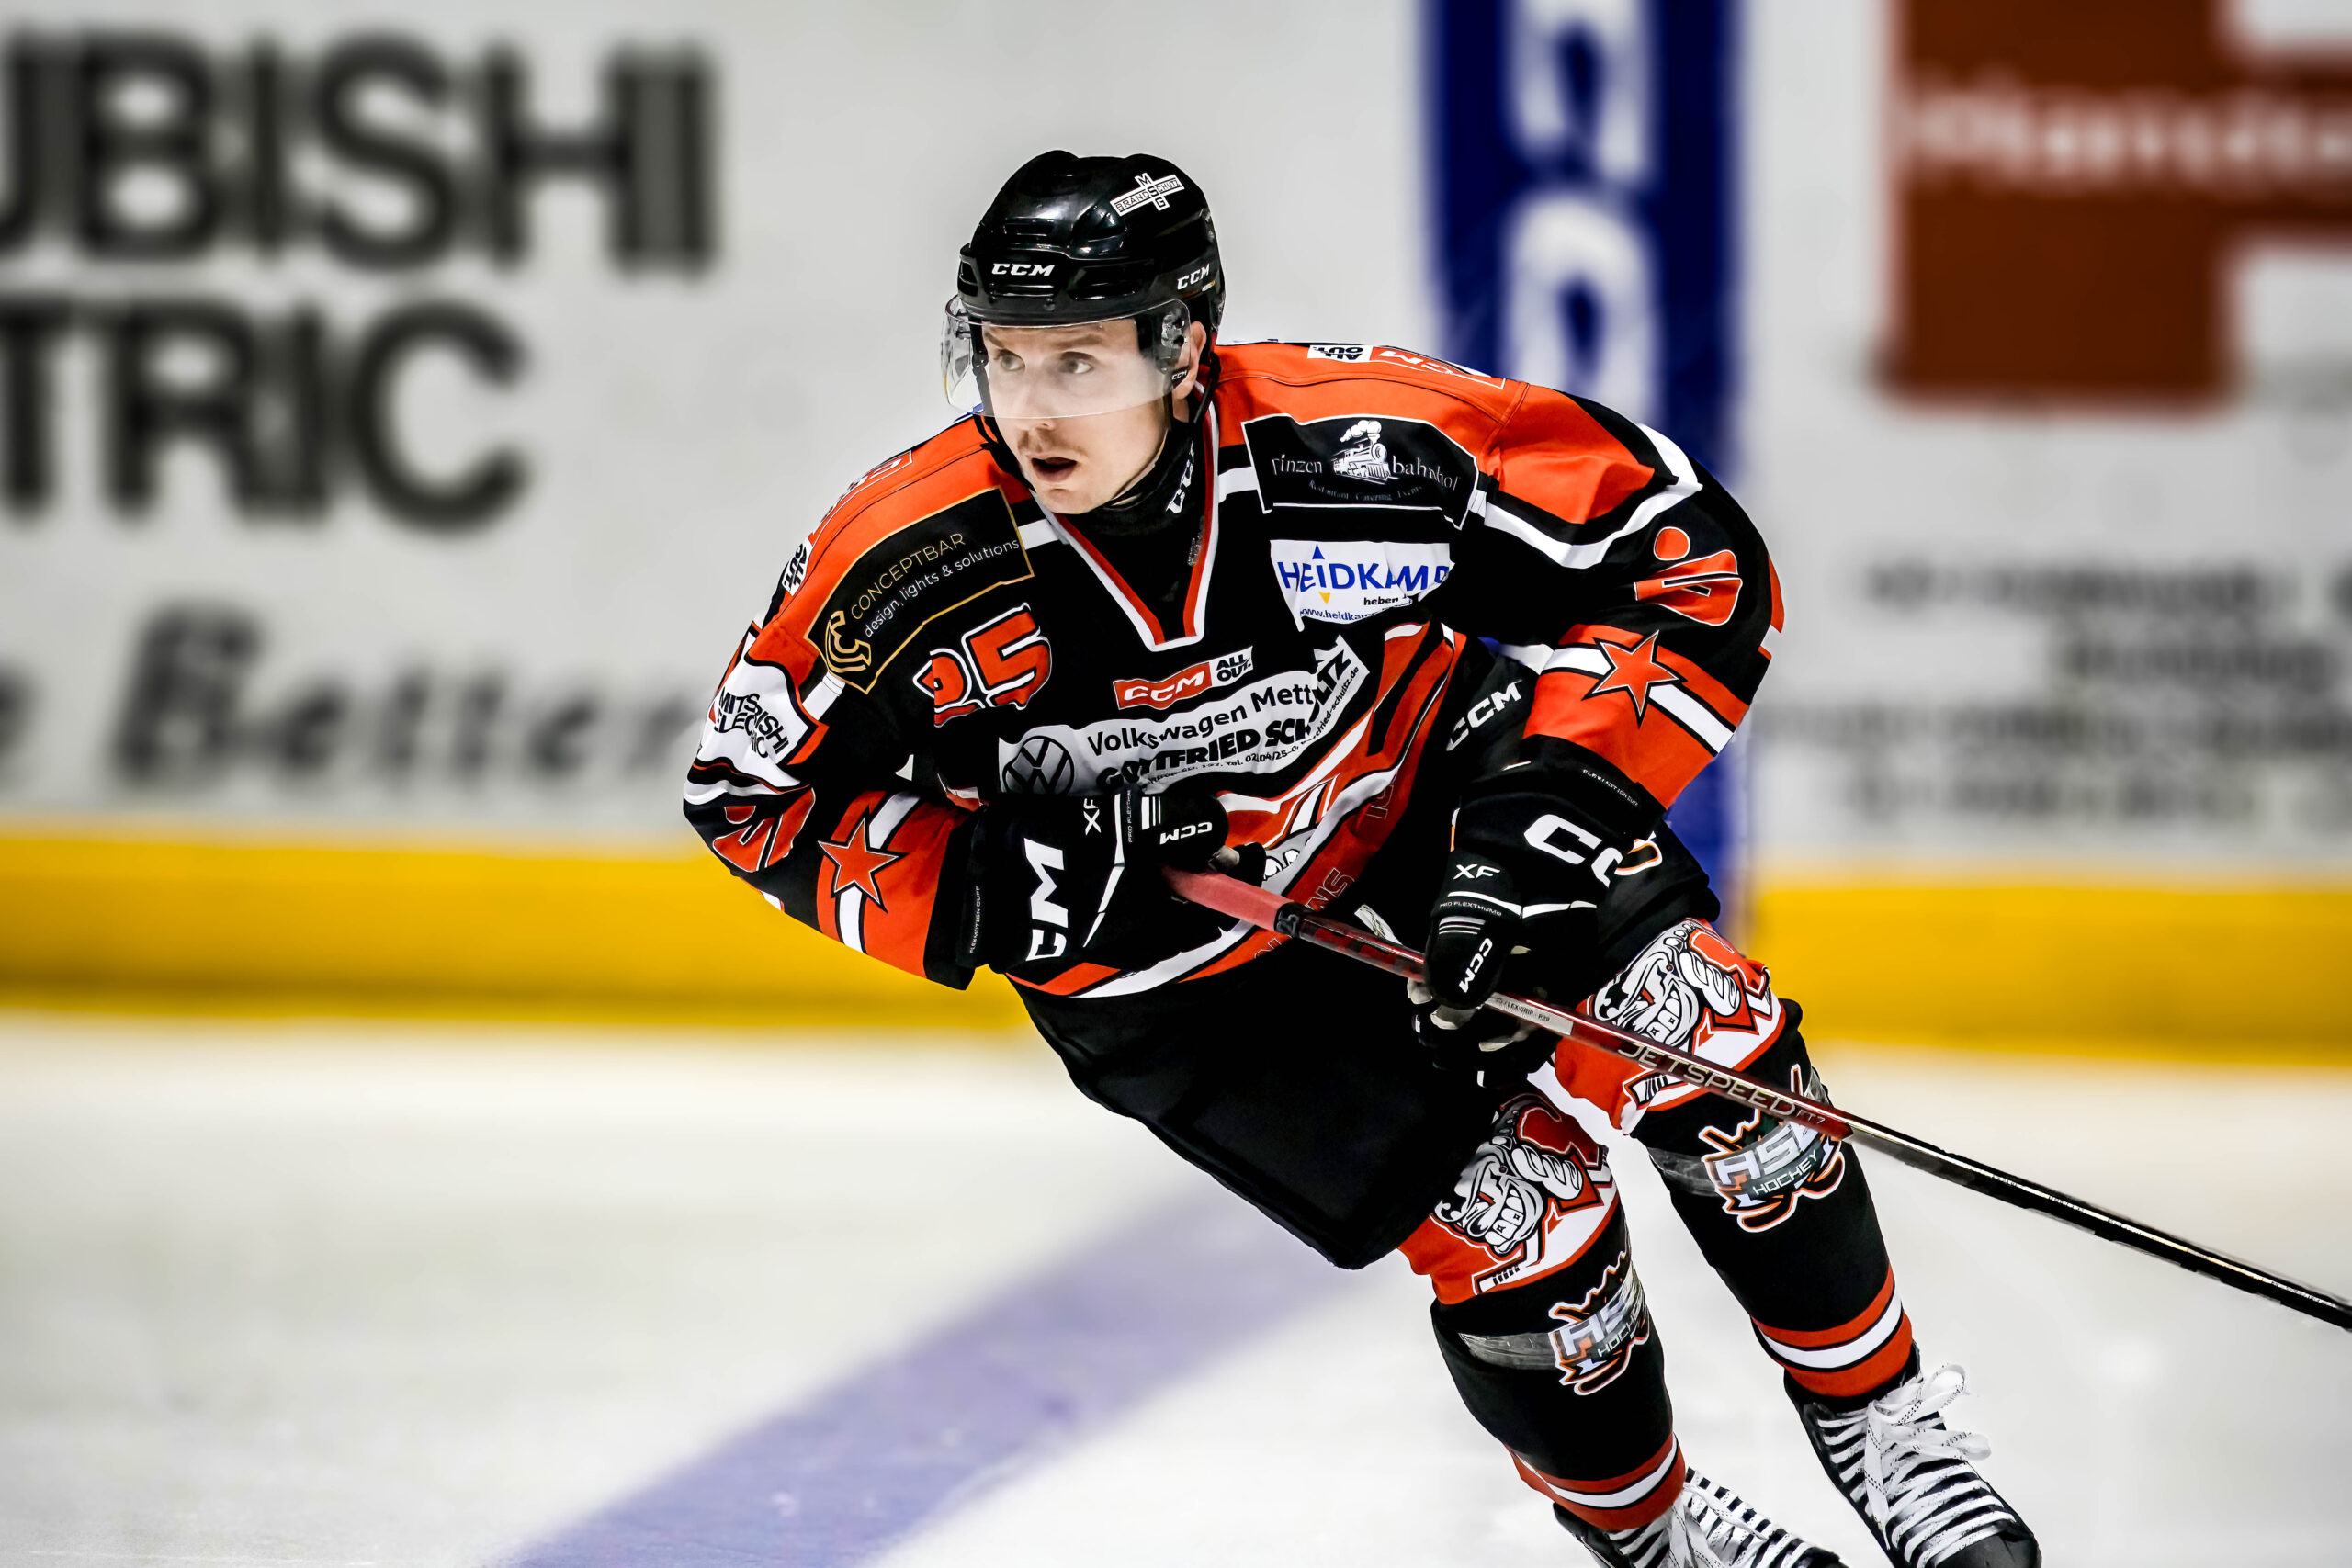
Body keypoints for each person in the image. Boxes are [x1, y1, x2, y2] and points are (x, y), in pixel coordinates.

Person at [683, 151, 2040, 1568]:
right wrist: (990, 894)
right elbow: (746, 796)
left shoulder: (1356, 452)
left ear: (1185, 348)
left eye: (1078, 361)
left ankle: (1890, 1433)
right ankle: (1658, 1540)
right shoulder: (907, 561)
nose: (1031, 410)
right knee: (1530, 1226)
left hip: (1425, 799)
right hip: (1179, 977)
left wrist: (1544, 820)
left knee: (1710, 1042)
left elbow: (1685, 557)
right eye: (1005, 360)